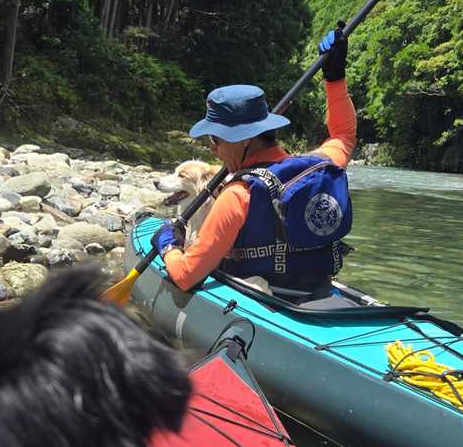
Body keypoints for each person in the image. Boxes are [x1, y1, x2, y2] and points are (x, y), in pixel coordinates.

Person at [152, 28, 356, 293]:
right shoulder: (322, 163)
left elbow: (185, 275)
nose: (213, 149)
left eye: (215, 140)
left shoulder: (238, 195)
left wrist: (168, 244)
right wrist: (335, 76)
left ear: (243, 140)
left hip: (265, 295)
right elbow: (344, 134)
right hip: (316, 285)